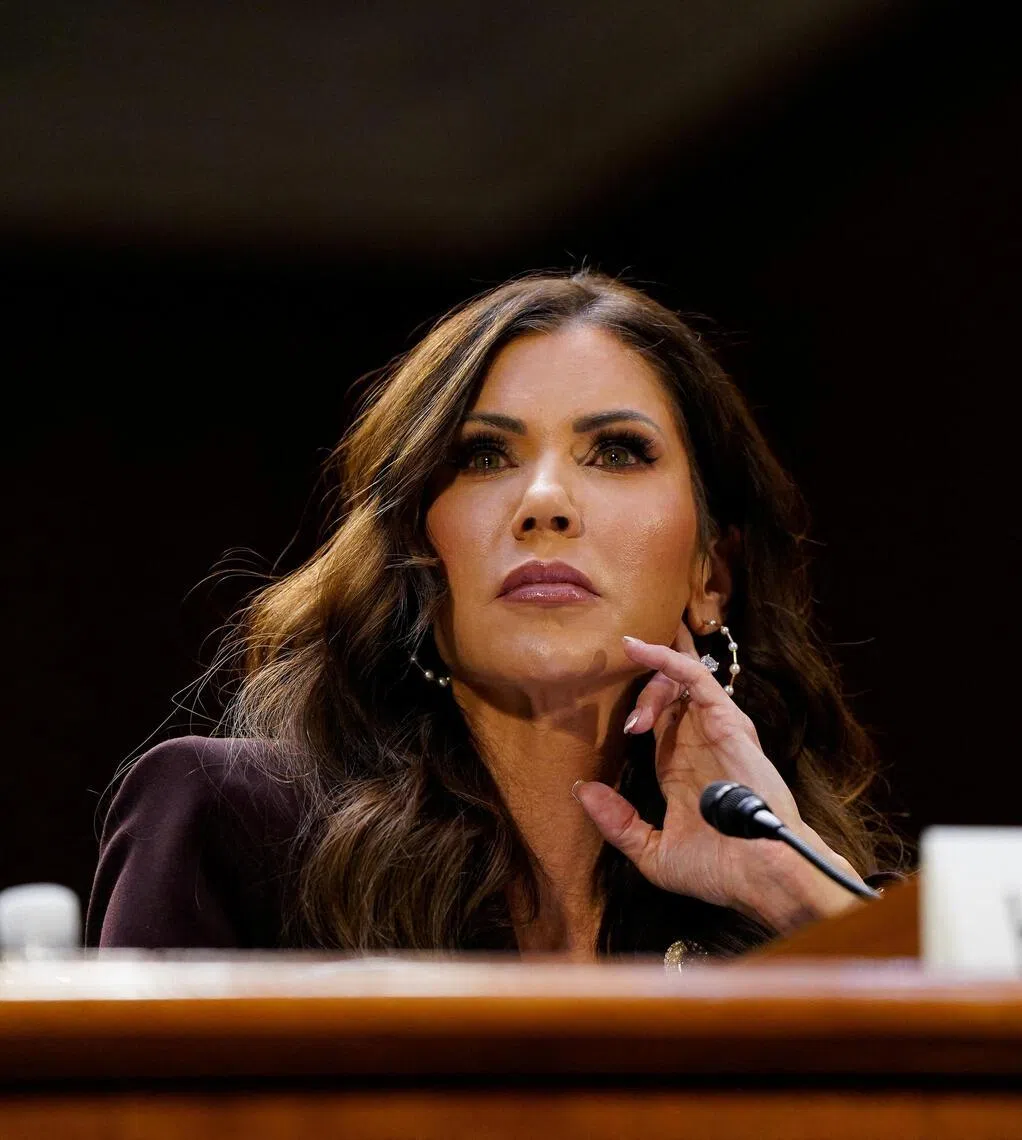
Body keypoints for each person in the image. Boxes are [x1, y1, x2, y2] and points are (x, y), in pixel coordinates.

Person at [87, 270, 903, 961]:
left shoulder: (785, 905)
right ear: (417, 550)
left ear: (710, 576)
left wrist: (793, 890)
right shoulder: (232, 832)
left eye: (616, 451)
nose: (543, 502)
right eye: (483, 457)